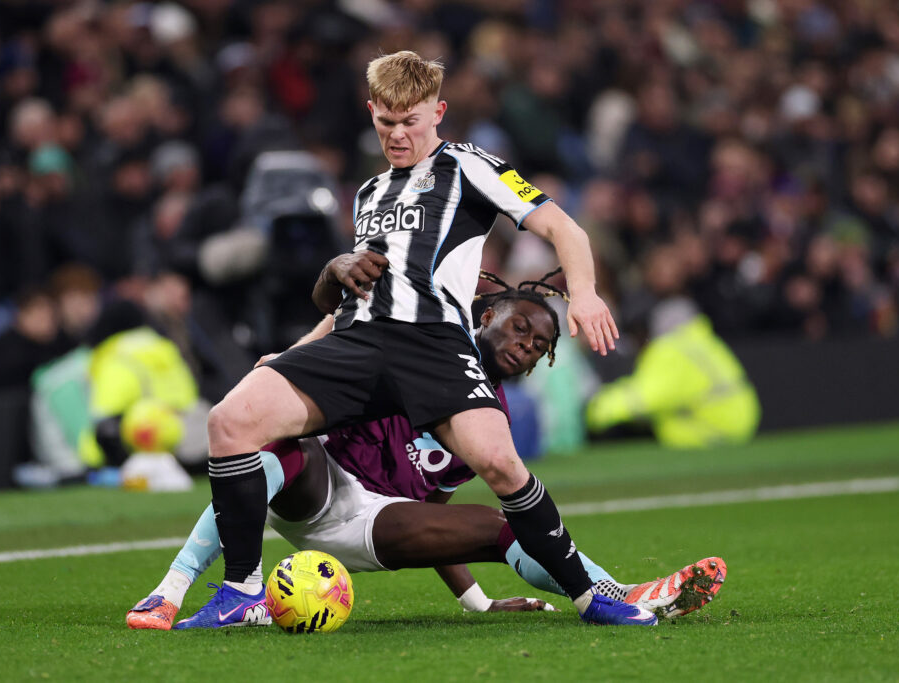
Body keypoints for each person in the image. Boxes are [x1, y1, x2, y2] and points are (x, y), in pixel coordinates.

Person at [197, 50, 652, 629]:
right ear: (371, 113)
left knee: (501, 466)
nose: (398, 134)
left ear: (437, 112)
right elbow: (355, 298)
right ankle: (241, 590)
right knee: (229, 422)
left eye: (410, 121)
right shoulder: (366, 194)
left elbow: (563, 226)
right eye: (385, 122)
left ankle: (592, 598)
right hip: (359, 342)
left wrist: (583, 294)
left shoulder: (470, 164)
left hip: (434, 343)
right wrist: (300, 349)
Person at [126, 277, 725, 629]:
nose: (525, 347)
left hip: (370, 522)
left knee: (500, 524)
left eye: (540, 345)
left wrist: (477, 602)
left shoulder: (489, 424)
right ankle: (177, 591)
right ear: (487, 314)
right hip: (312, 480)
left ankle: (625, 595)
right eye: (520, 329)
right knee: (276, 445)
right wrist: (293, 355)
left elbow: (432, 508)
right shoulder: (418, 340)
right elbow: (342, 317)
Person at [586, 297, 760, 448]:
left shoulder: (670, 349)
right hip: (741, 424)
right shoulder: (705, 341)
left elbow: (643, 399)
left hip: (712, 430)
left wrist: (595, 410)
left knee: (652, 422)